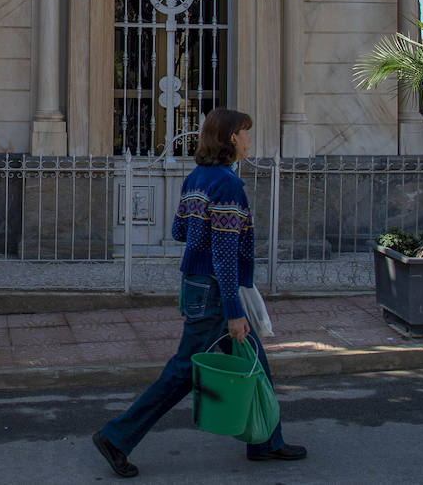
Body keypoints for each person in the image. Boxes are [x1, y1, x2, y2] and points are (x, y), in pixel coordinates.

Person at [92, 108, 307, 478]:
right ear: (230, 140)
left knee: (255, 359)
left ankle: (266, 442)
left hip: (197, 285)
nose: (249, 139)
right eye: (244, 132)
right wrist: (234, 310)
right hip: (215, 292)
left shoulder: (196, 178)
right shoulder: (227, 185)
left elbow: (179, 231)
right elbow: (224, 258)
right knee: (182, 373)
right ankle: (116, 436)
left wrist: (202, 233)